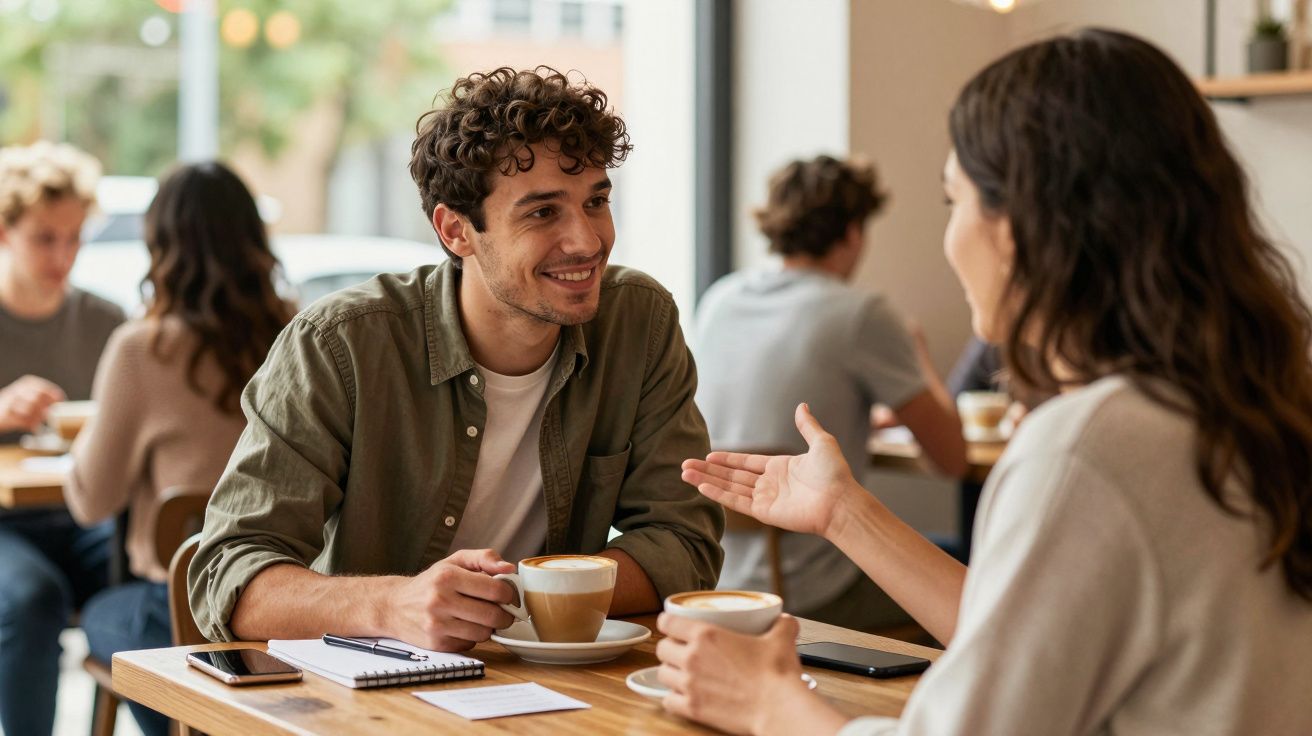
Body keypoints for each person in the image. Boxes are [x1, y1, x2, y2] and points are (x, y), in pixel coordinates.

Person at [663, 29, 1312, 735]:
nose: (949, 238)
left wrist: (770, 706)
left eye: (954, 201)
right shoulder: (1244, 402)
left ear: (1020, 225)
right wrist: (844, 512)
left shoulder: (1090, 446)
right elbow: (1026, 632)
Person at [187, 67, 724, 650]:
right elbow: (229, 574)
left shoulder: (639, 322)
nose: (586, 241)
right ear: (455, 230)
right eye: (543, 212)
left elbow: (683, 542)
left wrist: (519, 594)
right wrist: (397, 606)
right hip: (366, 696)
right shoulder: (341, 344)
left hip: (553, 680)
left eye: (596, 201)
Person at [62, 162, 294, 736]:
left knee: (99, 611)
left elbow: (91, 502)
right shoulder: (300, 333)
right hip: (287, 605)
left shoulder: (142, 348)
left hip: (175, 605)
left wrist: (86, 431)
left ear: (160, 244)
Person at [694, 155, 965, 631]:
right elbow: (952, 459)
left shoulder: (721, 299)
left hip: (715, 578)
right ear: (853, 233)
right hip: (811, 591)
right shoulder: (861, 313)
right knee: (966, 563)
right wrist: (919, 357)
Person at [0, 141, 124, 736]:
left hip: (84, 513)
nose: (63, 254)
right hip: (5, 524)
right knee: (31, 600)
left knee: (167, 585)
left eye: (75, 237)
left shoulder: (105, 321)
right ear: (5, 232)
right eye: (45, 238)